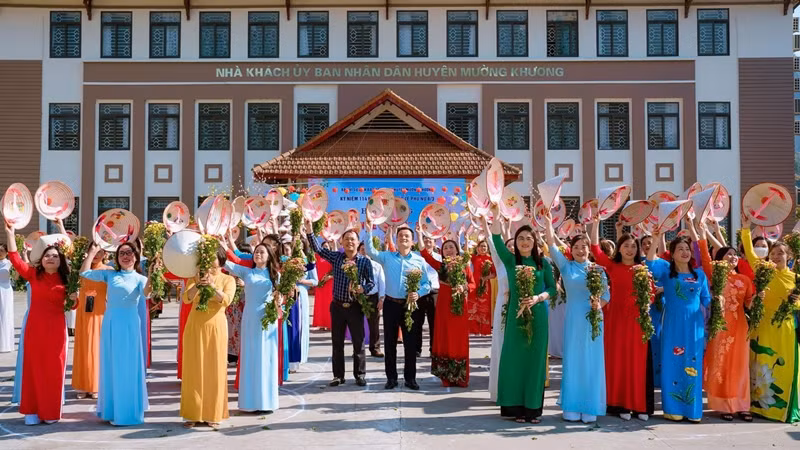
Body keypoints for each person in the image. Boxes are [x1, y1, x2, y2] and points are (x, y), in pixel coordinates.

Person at [487, 211, 556, 424]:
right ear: (515, 243)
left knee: (535, 363)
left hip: (538, 317)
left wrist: (537, 297)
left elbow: (553, 289)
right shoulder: (509, 261)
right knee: (514, 360)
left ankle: (533, 409)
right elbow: (497, 239)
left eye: (529, 238)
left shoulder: (542, 263)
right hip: (515, 318)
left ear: (535, 242)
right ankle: (515, 407)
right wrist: (496, 214)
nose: (525, 242)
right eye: (520, 238)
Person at [4, 222, 74, 425]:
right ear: (41, 260)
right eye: (46, 255)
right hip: (35, 328)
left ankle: (50, 411)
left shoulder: (68, 280)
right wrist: (11, 234)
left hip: (56, 330)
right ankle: (31, 411)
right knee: (33, 368)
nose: (50, 258)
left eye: (54, 256)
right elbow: (16, 260)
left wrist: (74, 295)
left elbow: (74, 304)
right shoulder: (34, 275)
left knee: (54, 369)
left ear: (60, 260)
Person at [543, 212, 609, 423]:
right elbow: (552, 246)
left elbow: (607, 294)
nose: (581, 250)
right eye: (577, 247)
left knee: (591, 361)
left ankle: (590, 405)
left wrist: (599, 304)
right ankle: (572, 405)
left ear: (589, 249)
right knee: (573, 360)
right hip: (573, 321)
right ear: (571, 250)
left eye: (584, 247)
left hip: (593, 319)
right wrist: (547, 222)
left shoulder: (598, 270)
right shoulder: (566, 267)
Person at [589, 219, 654, 421]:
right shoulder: (612, 266)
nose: (629, 249)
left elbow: (650, 294)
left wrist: (647, 303)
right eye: (625, 245)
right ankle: (620, 405)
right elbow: (595, 249)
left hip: (637, 322)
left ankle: (639, 406)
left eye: (633, 246)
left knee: (636, 363)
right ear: (619, 248)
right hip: (615, 320)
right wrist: (596, 223)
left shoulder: (643, 269)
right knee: (618, 362)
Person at [646, 229, 711, 423]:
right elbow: (649, 264)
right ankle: (673, 408)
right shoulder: (666, 272)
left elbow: (706, 299)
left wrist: (720, 301)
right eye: (680, 249)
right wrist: (656, 237)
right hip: (672, 324)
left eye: (687, 249)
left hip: (694, 327)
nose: (684, 252)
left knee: (692, 363)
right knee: (672, 363)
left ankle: (692, 409)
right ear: (672, 254)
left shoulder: (700, 275)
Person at [81, 242, 149, 426]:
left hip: (130, 325)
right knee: (112, 365)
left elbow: (149, 293)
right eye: (121, 253)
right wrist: (93, 252)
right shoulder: (110, 274)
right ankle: (111, 410)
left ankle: (128, 412)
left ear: (136, 256)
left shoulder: (140, 279)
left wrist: (154, 273)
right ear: (116, 258)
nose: (125, 256)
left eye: (129, 253)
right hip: (111, 323)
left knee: (128, 366)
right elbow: (85, 273)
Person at [741, 214, 800, 423]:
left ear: (788, 256)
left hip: (784, 328)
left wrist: (795, 302)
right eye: (773, 253)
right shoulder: (763, 270)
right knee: (760, 364)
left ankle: (780, 410)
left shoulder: (796, 278)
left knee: (781, 368)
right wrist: (746, 228)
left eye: (780, 253)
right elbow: (749, 252)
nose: (775, 257)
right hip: (762, 326)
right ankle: (758, 407)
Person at [695, 225, 754, 422]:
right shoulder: (716, 274)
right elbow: (704, 256)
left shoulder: (745, 279)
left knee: (740, 365)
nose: (732, 257)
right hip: (721, 326)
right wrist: (700, 231)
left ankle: (742, 404)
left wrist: (758, 298)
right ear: (720, 259)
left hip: (740, 326)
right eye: (728, 254)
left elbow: (749, 303)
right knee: (722, 364)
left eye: (735, 254)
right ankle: (723, 404)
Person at [306, 219, 374, 387]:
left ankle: (360, 375)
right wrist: (309, 231)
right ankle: (338, 376)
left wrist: (362, 288)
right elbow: (319, 249)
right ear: (342, 242)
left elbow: (371, 282)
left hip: (355, 307)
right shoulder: (337, 258)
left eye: (353, 239)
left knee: (358, 343)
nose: (350, 242)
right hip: (337, 307)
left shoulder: (365, 262)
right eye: (347, 239)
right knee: (337, 343)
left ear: (358, 243)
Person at [366, 219, 431, 391]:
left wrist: (419, 294)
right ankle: (391, 378)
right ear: (396, 238)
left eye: (407, 236)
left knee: (410, 343)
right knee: (390, 342)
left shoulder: (419, 260)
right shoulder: (387, 257)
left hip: (410, 306)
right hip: (391, 304)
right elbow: (371, 252)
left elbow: (427, 284)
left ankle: (410, 378)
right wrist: (368, 231)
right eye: (401, 235)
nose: (404, 238)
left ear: (412, 241)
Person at [180, 248, 236, 429]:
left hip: (216, 327)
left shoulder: (228, 279)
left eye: (211, 258)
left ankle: (214, 413)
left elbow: (226, 300)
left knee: (215, 369)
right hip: (195, 326)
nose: (207, 261)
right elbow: (186, 299)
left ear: (220, 260)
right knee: (193, 369)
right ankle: (192, 413)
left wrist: (211, 286)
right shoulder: (195, 277)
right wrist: (198, 284)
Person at [223, 242, 281, 413]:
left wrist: (279, 301)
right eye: (256, 252)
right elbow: (227, 263)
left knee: (266, 356)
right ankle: (249, 402)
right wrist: (219, 244)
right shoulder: (246, 272)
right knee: (251, 356)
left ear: (269, 256)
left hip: (267, 320)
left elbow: (281, 297)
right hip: (250, 318)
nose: (258, 255)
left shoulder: (275, 276)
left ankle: (266, 402)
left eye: (262, 252)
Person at [420, 239, 474, 387]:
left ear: (457, 250)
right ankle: (447, 377)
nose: (449, 250)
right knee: (445, 338)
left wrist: (464, 288)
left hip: (460, 307)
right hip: (444, 307)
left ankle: (461, 377)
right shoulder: (441, 266)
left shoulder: (465, 266)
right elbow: (425, 255)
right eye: (445, 248)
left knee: (459, 339)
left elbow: (472, 283)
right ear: (442, 253)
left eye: (451, 247)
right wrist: (419, 235)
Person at [72, 247, 111, 399]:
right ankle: (82, 385)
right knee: (83, 346)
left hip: (100, 311)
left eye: (100, 252)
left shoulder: (108, 270)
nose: (97, 255)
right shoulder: (83, 267)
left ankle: (95, 385)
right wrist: (90, 254)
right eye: (94, 251)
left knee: (96, 347)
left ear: (105, 254)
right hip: (84, 311)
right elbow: (83, 273)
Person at [488, 237, 512, 402]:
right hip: (502, 309)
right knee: (501, 345)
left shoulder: (524, 264)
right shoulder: (500, 264)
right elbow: (492, 242)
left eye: (513, 245)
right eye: (508, 245)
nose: (511, 248)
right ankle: (499, 390)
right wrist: (484, 220)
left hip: (519, 309)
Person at [415, 230, 439, 356]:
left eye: (431, 239)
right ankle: (417, 349)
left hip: (435, 292)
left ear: (435, 243)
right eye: (425, 239)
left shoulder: (439, 257)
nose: (428, 241)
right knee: (417, 322)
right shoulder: (416, 256)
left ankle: (433, 349)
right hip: (420, 292)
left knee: (434, 324)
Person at [359, 242, 385, 357]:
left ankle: (375, 348)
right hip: (357, 297)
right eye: (362, 249)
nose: (364, 251)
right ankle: (358, 348)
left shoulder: (377, 265)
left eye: (366, 249)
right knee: (357, 324)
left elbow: (382, 283)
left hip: (372, 297)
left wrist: (381, 299)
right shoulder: (353, 265)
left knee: (374, 325)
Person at [469, 239, 495, 336]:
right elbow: (465, 254)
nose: (483, 248)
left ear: (487, 248)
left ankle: (484, 330)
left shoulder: (490, 259)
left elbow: (494, 274)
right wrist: (467, 240)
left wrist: (486, 277)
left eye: (485, 246)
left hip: (485, 285)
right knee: (474, 305)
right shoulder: (474, 258)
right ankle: (474, 330)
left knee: (484, 307)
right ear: (477, 248)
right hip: (474, 284)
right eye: (481, 246)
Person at [312, 242, 334, 330]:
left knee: (329, 304)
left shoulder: (332, 257)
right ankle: (321, 324)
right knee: (320, 304)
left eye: (327, 246)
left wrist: (330, 276)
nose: (326, 248)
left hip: (329, 283)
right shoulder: (318, 257)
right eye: (324, 246)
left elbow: (337, 269)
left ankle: (329, 324)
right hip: (320, 283)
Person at [0, 243, 13, 352]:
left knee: (5, 314)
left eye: (1, 250)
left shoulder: (10, 263)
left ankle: (5, 343)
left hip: (5, 291)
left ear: (6, 252)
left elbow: (16, 278)